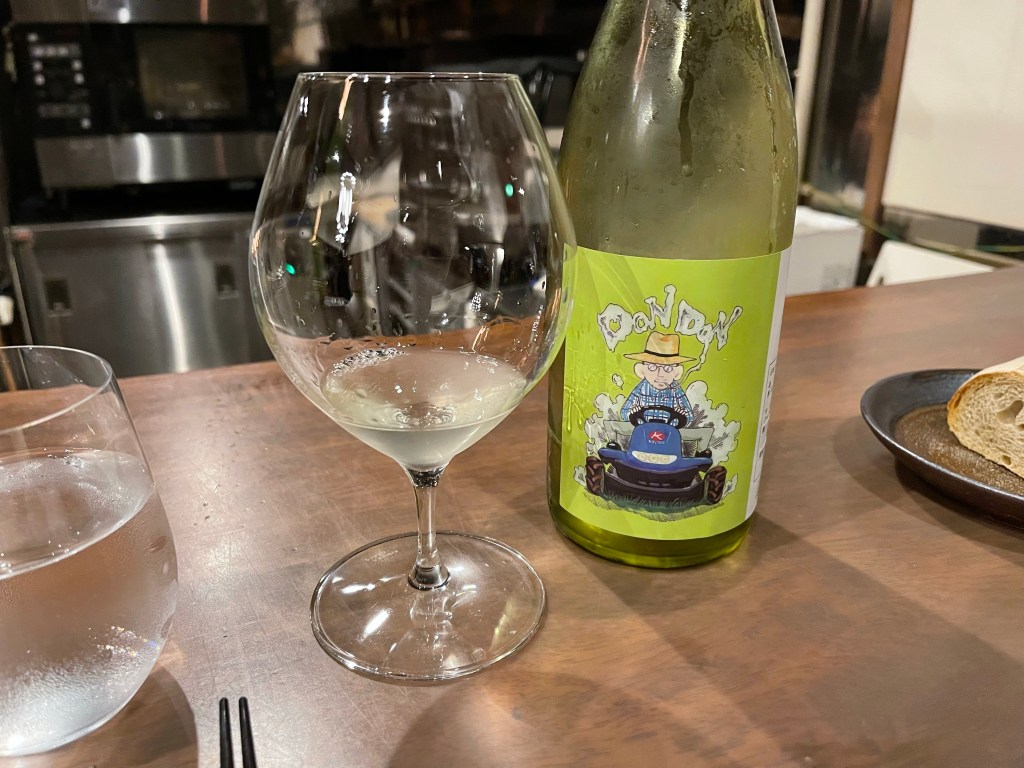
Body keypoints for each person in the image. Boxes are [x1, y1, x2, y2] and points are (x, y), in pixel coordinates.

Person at [619, 332, 695, 423]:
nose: (660, 374)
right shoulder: (641, 387)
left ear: (677, 373)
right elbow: (624, 412)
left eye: (668, 368)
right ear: (642, 370)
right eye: (652, 367)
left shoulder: (675, 390)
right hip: (643, 429)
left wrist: (682, 414)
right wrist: (632, 412)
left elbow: (690, 416)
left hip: (669, 430)